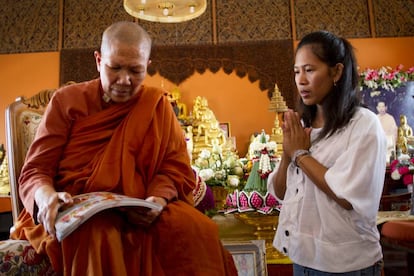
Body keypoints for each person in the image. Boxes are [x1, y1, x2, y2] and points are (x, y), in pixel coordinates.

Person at [10, 21, 237, 275]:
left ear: (147, 66)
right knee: (101, 235)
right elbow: (35, 171)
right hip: (79, 210)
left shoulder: (157, 106)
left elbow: (174, 168)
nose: (124, 80)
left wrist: (157, 200)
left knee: (194, 228)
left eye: (135, 70)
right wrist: (46, 197)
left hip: (139, 205)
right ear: (98, 61)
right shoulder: (67, 102)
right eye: (115, 68)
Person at [267, 31, 386, 275]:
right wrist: (289, 152)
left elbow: (346, 196)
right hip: (303, 257)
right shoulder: (304, 127)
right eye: (297, 71)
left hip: (346, 265)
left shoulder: (363, 124)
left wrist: (300, 154)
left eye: (310, 70)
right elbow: (280, 192)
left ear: (336, 72)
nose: (301, 80)